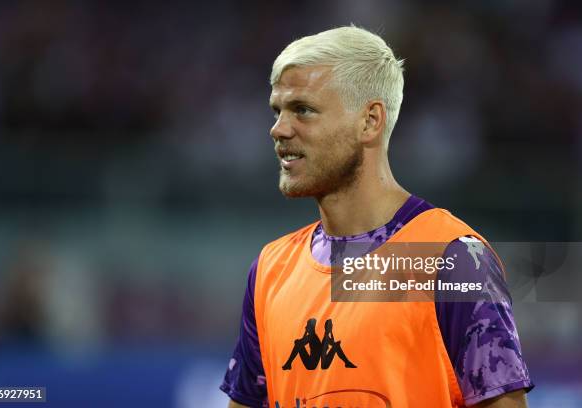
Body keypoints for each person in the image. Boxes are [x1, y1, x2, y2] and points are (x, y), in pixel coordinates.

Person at [220, 26, 533, 407]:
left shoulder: (450, 259)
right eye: (278, 110)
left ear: (370, 121)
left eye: (303, 110)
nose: (279, 129)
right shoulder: (271, 270)